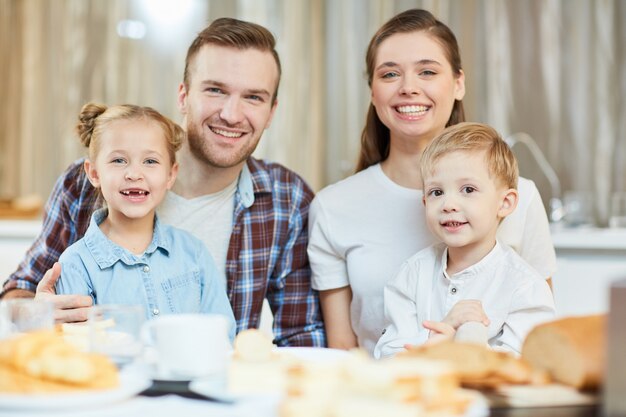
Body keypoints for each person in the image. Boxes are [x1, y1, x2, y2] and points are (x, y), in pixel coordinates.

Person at [1, 18, 325, 347]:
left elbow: (300, 337)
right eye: (215, 89)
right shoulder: (84, 183)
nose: (231, 113)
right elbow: (17, 295)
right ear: (183, 96)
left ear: (271, 112)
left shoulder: (287, 199)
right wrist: (36, 315)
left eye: (254, 97)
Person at [308, 9, 556, 355]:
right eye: (390, 73)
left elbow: (539, 343)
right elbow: (343, 352)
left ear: (458, 83)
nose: (409, 88)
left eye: (427, 71)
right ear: (372, 91)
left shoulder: (522, 196)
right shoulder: (333, 207)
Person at [373, 122, 555, 358]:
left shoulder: (526, 287)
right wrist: (438, 336)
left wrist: (467, 342)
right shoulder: (411, 275)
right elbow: (387, 354)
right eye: (437, 192)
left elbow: (524, 367)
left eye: (468, 189)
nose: (448, 205)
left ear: (505, 203)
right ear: (425, 202)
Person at [55, 103, 236, 340]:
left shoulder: (194, 253)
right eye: (119, 160)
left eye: (150, 161)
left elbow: (223, 336)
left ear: (170, 175)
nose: (134, 174)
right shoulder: (76, 265)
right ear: (94, 173)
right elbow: (77, 351)